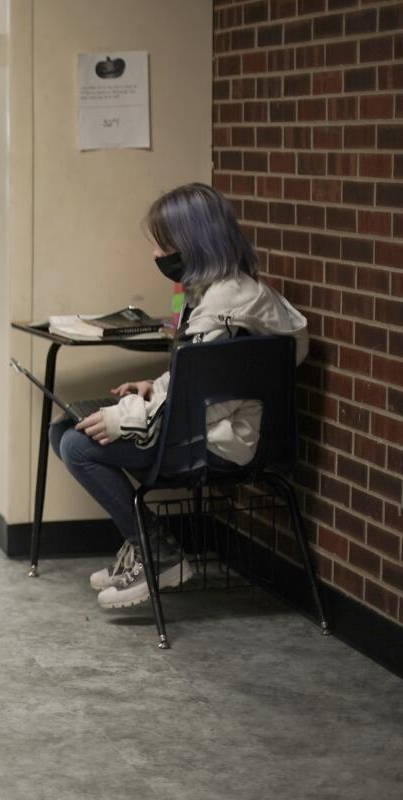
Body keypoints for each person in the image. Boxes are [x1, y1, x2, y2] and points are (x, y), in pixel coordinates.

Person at [48, 183, 309, 609]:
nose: (156, 255)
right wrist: (157, 386)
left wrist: (122, 419)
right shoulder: (225, 291)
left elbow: (203, 401)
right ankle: (146, 545)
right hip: (210, 427)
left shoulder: (226, 307)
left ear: (195, 241)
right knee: (61, 430)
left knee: (77, 445)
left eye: (165, 244)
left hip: (221, 444)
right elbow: (204, 379)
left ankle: (158, 551)